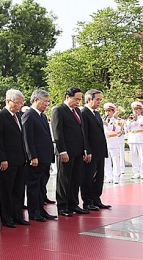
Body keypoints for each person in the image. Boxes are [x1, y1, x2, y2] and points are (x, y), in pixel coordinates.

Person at [51, 87, 91, 217]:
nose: (78, 102)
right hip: (66, 152)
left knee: (75, 178)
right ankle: (62, 206)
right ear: (68, 97)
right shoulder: (58, 110)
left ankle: (73, 203)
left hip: (78, 151)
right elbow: (58, 132)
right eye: (76, 99)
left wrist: (85, 148)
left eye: (80, 99)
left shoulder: (78, 111)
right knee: (64, 179)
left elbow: (82, 131)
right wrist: (62, 151)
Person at [22, 90, 57, 222]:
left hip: (45, 157)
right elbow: (28, 138)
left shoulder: (42, 116)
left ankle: (41, 209)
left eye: (48, 102)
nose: (46, 105)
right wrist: (32, 156)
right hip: (36, 158)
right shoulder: (29, 115)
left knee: (42, 185)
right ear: (36, 100)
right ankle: (34, 212)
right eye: (44, 102)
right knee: (34, 185)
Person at [0, 89, 29, 228]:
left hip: (20, 159)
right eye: (18, 103)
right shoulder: (0, 116)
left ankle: (18, 215)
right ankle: (7, 217)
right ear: (8, 101)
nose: (20, 106)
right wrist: (2, 158)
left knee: (19, 190)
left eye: (22, 103)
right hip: (7, 161)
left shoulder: (20, 115)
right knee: (7, 190)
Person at [80, 90, 112, 211]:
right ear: (89, 99)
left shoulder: (96, 113)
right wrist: (87, 150)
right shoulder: (84, 113)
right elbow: (84, 133)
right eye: (97, 99)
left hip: (99, 150)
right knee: (88, 177)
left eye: (100, 99)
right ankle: (87, 201)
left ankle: (96, 199)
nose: (99, 102)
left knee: (99, 177)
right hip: (91, 152)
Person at [103, 103, 122, 184]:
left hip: (114, 141)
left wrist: (107, 125)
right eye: (106, 111)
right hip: (105, 142)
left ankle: (116, 176)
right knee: (106, 160)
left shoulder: (117, 120)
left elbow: (118, 129)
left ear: (113, 111)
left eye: (109, 111)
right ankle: (109, 176)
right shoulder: (102, 120)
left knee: (115, 160)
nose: (108, 113)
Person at [125, 101, 143, 179]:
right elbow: (126, 128)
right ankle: (136, 172)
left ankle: (142, 172)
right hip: (132, 139)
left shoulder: (142, 118)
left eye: (137, 109)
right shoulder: (129, 119)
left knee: (142, 157)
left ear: (141, 110)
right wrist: (131, 121)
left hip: (140, 138)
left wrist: (136, 121)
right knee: (134, 157)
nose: (135, 111)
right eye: (134, 109)